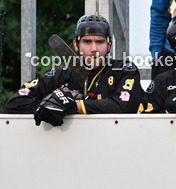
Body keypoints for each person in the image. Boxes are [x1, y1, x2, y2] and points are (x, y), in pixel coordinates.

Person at [6, 14, 143, 125]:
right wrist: (50, 106)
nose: (94, 49)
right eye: (87, 41)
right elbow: (14, 104)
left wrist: (74, 105)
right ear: (76, 45)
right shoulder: (61, 75)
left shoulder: (125, 70)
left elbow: (122, 107)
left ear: (109, 46)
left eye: (100, 42)